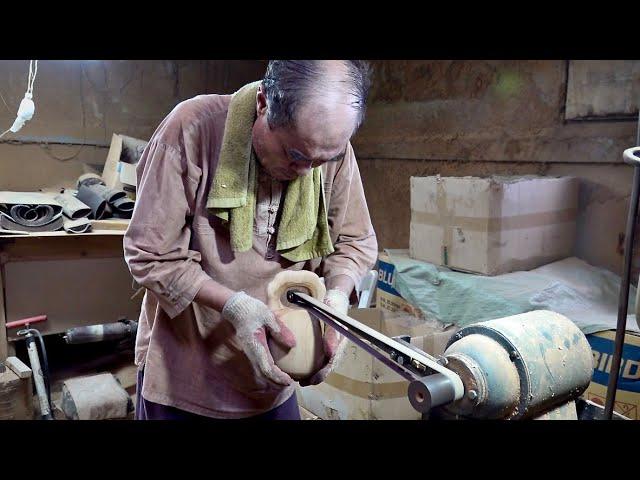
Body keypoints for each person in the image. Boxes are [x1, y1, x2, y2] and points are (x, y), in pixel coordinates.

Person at [123, 60, 378, 420]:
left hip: (274, 378)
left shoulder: (326, 153)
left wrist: (337, 296)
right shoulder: (193, 129)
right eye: (295, 155)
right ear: (263, 105)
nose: (308, 172)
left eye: (324, 160)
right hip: (188, 374)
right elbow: (150, 254)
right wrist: (235, 307)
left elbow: (354, 241)